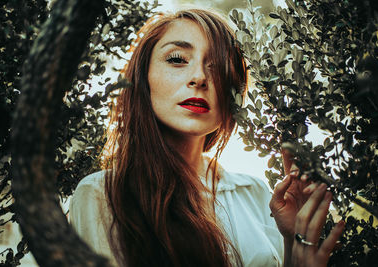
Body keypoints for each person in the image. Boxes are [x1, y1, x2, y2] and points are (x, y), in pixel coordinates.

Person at [69, 8, 344, 267]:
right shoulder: (102, 195)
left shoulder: (256, 194)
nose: (199, 77)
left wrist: (294, 243)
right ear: (143, 78)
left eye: (217, 66)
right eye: (177, 59)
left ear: (232, 94)